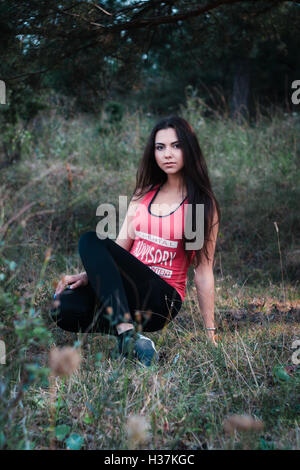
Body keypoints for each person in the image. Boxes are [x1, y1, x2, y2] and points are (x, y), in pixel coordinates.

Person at [50, 115, 221, 366]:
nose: (167, 154)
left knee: (91, 238)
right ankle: (129, 335)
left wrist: (210, 335)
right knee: (62, 307)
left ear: (189, 149)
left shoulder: (198, 206)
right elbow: (119, 251)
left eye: (176, 145)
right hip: (125, 292)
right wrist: (90, 276)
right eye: (160, 147)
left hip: (161, 299)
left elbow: (203, 272)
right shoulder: (144, 194)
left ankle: (127, 334)